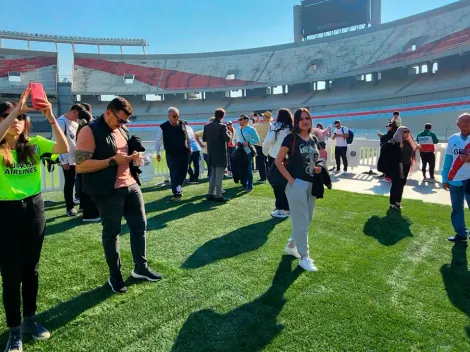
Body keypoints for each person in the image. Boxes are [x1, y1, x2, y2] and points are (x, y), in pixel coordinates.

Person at [0, 90, 68, 352]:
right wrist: (17, 108)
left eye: (19, 116)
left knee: (32, 270)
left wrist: (51, 116)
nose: (16, 119)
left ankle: (30, 321)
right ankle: (14, 331)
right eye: (8, 116)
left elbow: (64, 149)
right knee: (10, 274)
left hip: (34, 210)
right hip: (5, 213)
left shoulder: (35, 143)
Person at [76, 97, 161, 294]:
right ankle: (115, 275)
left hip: (130, 184)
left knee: (140, 227)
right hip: (108, 190)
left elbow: (124, 152)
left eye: (125, 121)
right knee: (112, 232)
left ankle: (140, 268)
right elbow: (81, 166)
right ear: (108, 112)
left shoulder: (122, 129)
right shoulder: (89, 130)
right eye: (120, 120)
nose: (122, 124)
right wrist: (113, 160)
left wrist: (134, 157)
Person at [275, 108, 321, 272]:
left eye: (307, 118)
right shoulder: (291, 138)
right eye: (301, 119)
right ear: (296, 121)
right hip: (297, 184)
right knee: (301, 221)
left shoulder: (313, 139)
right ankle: (305, 257)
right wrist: (292, 181)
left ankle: (291, 245)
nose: (304, 121)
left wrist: (317, 168)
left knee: (307, 220)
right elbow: (278, 161)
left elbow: (315, 159)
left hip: (312, 184)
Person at [53, 104, 85, 216]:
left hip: (76, 158)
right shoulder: (61, 122)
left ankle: (82, 204)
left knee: (79, 181)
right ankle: (69, 208)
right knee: (70, 182)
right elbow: (56, 141)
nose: (78, 119)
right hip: (67, 159)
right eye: (78, 116)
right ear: (74, 112)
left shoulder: (75, 123)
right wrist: (63, 160)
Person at [442, 113, 470, 242]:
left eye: (468, 121)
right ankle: (461, 233)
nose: (465, 123)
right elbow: (448, 160)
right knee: (457, 208)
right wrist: (445, 178)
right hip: (454, 179)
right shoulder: (453, 138)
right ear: (457, 124)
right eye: (462, 121)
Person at [155, 107, 191, 200]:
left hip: (184, 153)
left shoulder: (183, 124)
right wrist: (157, 153)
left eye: (177, 116)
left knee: (184, 171)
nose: (176, 118)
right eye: (174, 116)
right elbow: (158, 141)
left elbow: (188, 138)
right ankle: (177, 192)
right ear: (169, 116)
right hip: (171, 154)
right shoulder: (163, 127)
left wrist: (190, 148)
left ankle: (178, 187)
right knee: (174, 173)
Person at [377, 126, 418, 210]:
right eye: (405, 131)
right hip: (397, 166)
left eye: (407, 131)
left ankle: (398, 202)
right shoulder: (393, 142)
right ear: (400, 132)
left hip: (406, 165)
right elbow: (386, 151)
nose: (407, 133)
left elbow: (412, 149)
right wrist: (398, 148)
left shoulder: (407, 142)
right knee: (396, 184)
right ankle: (392, 203)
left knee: (402, 184)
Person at [263, 108, 293, 218]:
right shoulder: (292, 128)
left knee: (277, 184)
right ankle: (287, 206)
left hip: (276, 157)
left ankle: (283, 208)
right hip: (290, 158)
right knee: (288, 183)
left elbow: (268, 140)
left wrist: (265, 152)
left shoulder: (276, 126)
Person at [75, 110, 100, 222]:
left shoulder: (80, 130)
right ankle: (90, 214)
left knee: (84, 188)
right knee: (90, 189)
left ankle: (85, 210)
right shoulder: (88, 130)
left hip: (82, 164)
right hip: (88, 164)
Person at [203, 108, 231, 202]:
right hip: (220, 154)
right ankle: (218, 195)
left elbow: (204, 139)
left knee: (213, 175)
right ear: (222, 116)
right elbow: (227, 139)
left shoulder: (207, 126)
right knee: (219, 176)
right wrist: (229, 133)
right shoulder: (222, 126)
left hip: (211, 154)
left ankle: (210, 193)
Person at [233, 114, 260, 193]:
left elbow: (257, 139)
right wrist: (236, 143)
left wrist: (248, 142)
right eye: (239, 119)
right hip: (239, 151)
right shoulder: (237, 129)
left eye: (241, 119)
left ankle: (250, 186)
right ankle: (244, 184)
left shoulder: (251, 129)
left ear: (246, 120)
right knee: (241, 168)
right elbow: (233, 140)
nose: (239, 121)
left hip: (248, 151)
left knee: (248, 169)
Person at [254, 111, 272, 183]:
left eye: (264, 116)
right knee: (266, 162)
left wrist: (256, 119)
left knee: (261, 162)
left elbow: (252, 126)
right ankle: (267, 176)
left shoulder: (260, 125)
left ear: (266, 117)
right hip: (268, 146)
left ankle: (263, 178)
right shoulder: (271, 125)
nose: (262, 117)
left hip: (260, 145)